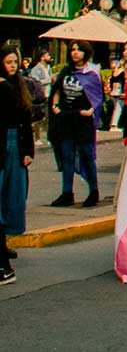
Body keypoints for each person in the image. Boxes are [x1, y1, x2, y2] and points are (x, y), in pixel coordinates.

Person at [48, 41, 103, 207]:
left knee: (86, 154)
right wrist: (55, 105)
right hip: (66, 118)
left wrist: (91, 111)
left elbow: (97, 97)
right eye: (72, 49)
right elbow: (57, 90)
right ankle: (67, 192)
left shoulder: (92, 73)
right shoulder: (66, 71)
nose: (75, 53)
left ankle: (93, 191)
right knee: (67, 156)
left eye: (79, 50)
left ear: (86, 53)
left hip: (82, 119)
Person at [0, 45, 35, 286]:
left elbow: (24, 119)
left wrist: (28, 151)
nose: (13, 65)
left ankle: (4, 264)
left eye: (15, 61)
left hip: (12, 143)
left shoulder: (13, 86)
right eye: (8, 61)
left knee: (10, 197)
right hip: (6, 142)